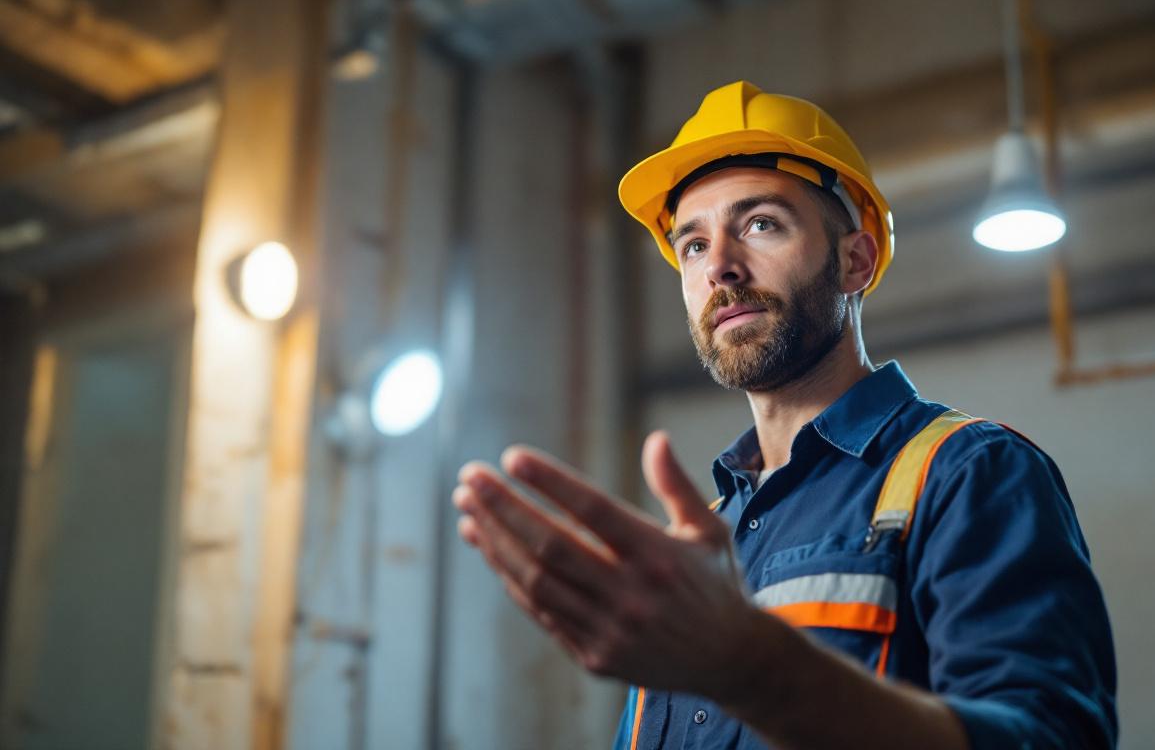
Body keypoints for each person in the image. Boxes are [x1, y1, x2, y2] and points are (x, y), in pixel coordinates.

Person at [453, 80, 1117, 750]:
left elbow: (1053, 740)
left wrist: (750, 666)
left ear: (855, 261)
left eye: (761, 224)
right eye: (692, 245)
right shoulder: (698, 546)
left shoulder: (969, 473)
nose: (720, 267)